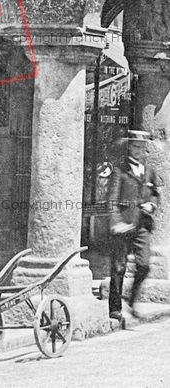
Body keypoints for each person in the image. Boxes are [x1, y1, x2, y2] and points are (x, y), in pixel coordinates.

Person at [107, 130, 160, 320]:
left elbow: (155, 193)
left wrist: (152, 204)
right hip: (123, 224)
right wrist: (116, 222)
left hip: (142, 226)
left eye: (142, 147)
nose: (139, 150)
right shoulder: (119, 170)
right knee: (119, 267)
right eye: (135, 146)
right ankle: (115, 308)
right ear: (129, 147)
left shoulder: (149, 170)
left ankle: (132, 298)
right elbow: (111, 200)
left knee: (144, 265)